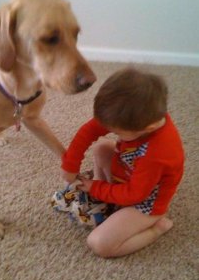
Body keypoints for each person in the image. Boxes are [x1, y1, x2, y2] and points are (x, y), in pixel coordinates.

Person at [61, 67, 184, 258]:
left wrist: (94, 187)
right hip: (128, 173)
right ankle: (107, 195)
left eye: (117, 132)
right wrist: (70, 166)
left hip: (145, 202)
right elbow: (89, 131)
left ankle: (157, 228)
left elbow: (134, 195)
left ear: (148, 128)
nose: (113, 134)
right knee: (102, 148)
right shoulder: (136, 116)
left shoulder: (158, 153)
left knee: (99, 244)